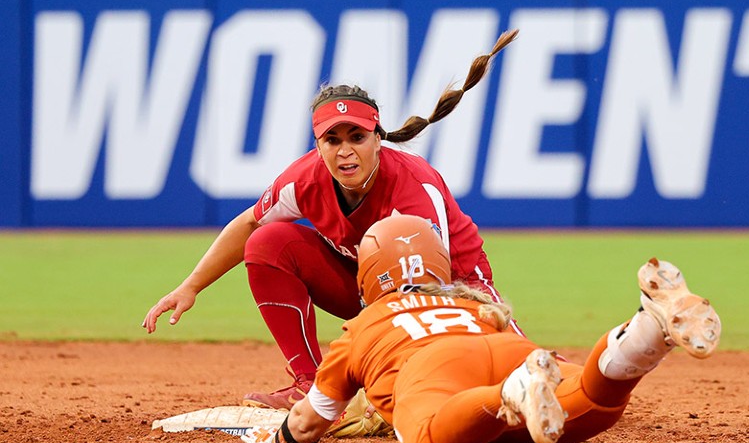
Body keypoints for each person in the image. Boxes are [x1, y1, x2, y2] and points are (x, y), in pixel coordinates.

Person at [142, 30, 522, 410]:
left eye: (356, 136)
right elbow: (249, 226)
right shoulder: (304, 181)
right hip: (372, 289)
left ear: (378, 138)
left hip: (454, 294)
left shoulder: (414, 191)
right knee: (268, 243)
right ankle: (309, 384)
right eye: (332, 140)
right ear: (318, 145)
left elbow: (428, 292)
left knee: (517, 372)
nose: (345, 151)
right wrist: (190, 287)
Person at [241, 214, 722, 443]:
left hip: (437, 371)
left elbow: (307, 425)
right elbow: (527, 351)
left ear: (368, 275)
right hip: (507, 348)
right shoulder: (476, 304)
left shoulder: (364, 327)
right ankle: (645, 334)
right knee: (592, 400)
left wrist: (275, 440)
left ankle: (509, 394)